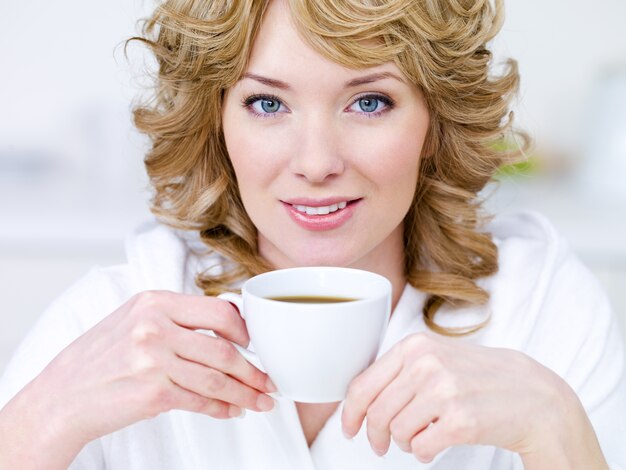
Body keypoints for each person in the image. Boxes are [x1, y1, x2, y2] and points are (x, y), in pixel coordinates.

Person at [1, 0, 624, 468]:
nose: (317, 162)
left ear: (434, 122)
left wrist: (551, 424)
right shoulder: (115, 318)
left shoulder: (541, 308)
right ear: (214, 123)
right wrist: (45, 416)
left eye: (370, 102)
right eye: (268, 104)